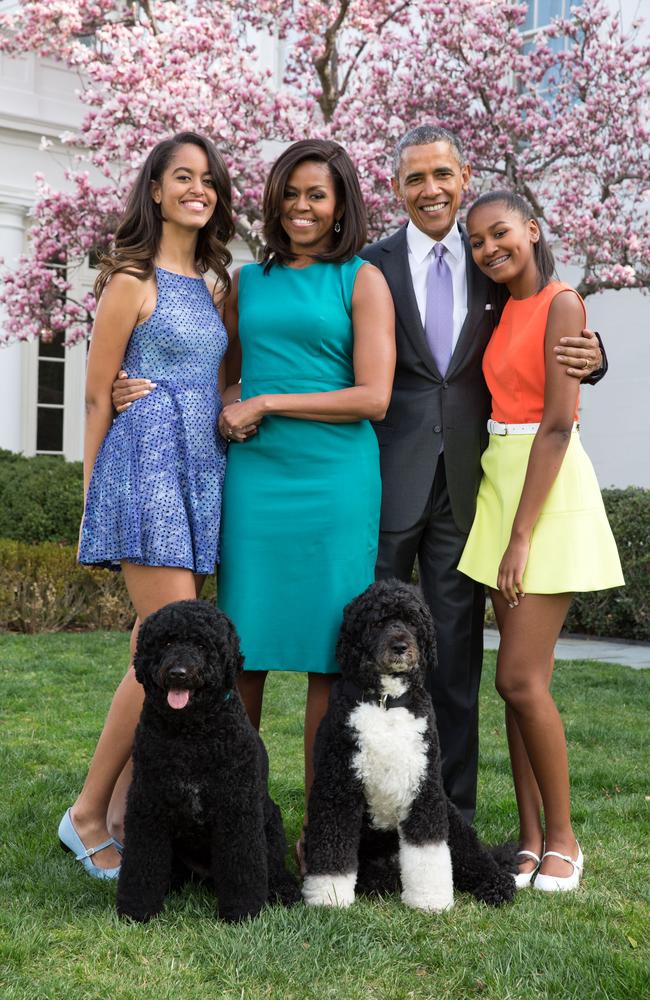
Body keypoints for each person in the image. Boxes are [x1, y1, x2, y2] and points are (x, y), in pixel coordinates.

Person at [360, 125, 606, 822]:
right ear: (397, 189)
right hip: (387, 480)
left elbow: (549, 325)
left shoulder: (491, 259)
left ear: (464, 177)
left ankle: (452, 817)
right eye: (414, 178)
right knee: (367, 652)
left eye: (441, 174)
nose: (430, 189)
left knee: (457, 662)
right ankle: (372, 810)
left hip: (472, 491)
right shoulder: (371, 266)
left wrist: (596, 354)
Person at [59, 131, 235, 878]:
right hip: (146, 466)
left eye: (208, 179)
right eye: (182, 177)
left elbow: (217, 378)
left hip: (202, 467)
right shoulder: (130, 279)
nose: (198, 189)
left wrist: (236, 402)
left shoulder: (218, 283)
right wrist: (94, 492)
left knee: (153, 643)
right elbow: (99, 392)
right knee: (162, 642)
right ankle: (89, 813)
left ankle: (126, 810)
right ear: (156, 191)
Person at [217, 139, 395, 867]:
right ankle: (236, 834)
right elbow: (222, 379)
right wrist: (232, 401)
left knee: (330, 661)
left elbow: (374, 397)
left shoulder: (363, 280)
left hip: (335, 482)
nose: (301, 207)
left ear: (341, 203)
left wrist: (269, 400)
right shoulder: (245, 282)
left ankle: (322, 839)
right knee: (240, 655)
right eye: (290, 193)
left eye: (316, 195)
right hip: (258, 482)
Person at [457, 190, 623, 890]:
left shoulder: (563, 301)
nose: (490, 249)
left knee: (517, 677)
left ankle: (564, 839)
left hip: (543, 490)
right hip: (500, 479)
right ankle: (528, 840)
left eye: (501, 234)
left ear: (533, 228)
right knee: (521, 686)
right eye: (477, 242)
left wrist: (520, 536)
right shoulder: (498, 307)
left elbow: (558, 423)